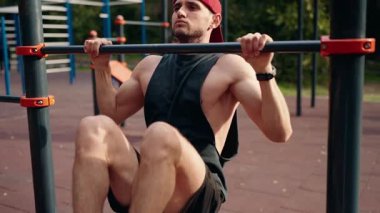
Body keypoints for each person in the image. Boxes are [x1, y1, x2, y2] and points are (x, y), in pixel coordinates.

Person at [73, 0, 293, 212]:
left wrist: (263, 70)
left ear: (214, 21)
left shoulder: (229, 65)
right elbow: (112, 112)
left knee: (159, 134)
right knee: (93, 127)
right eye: (177, 6)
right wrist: (101, 67)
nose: (181, 12)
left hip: (198, 190)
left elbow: (279, 132)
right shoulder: (150, 65)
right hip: (151, 177)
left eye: (192, 6)